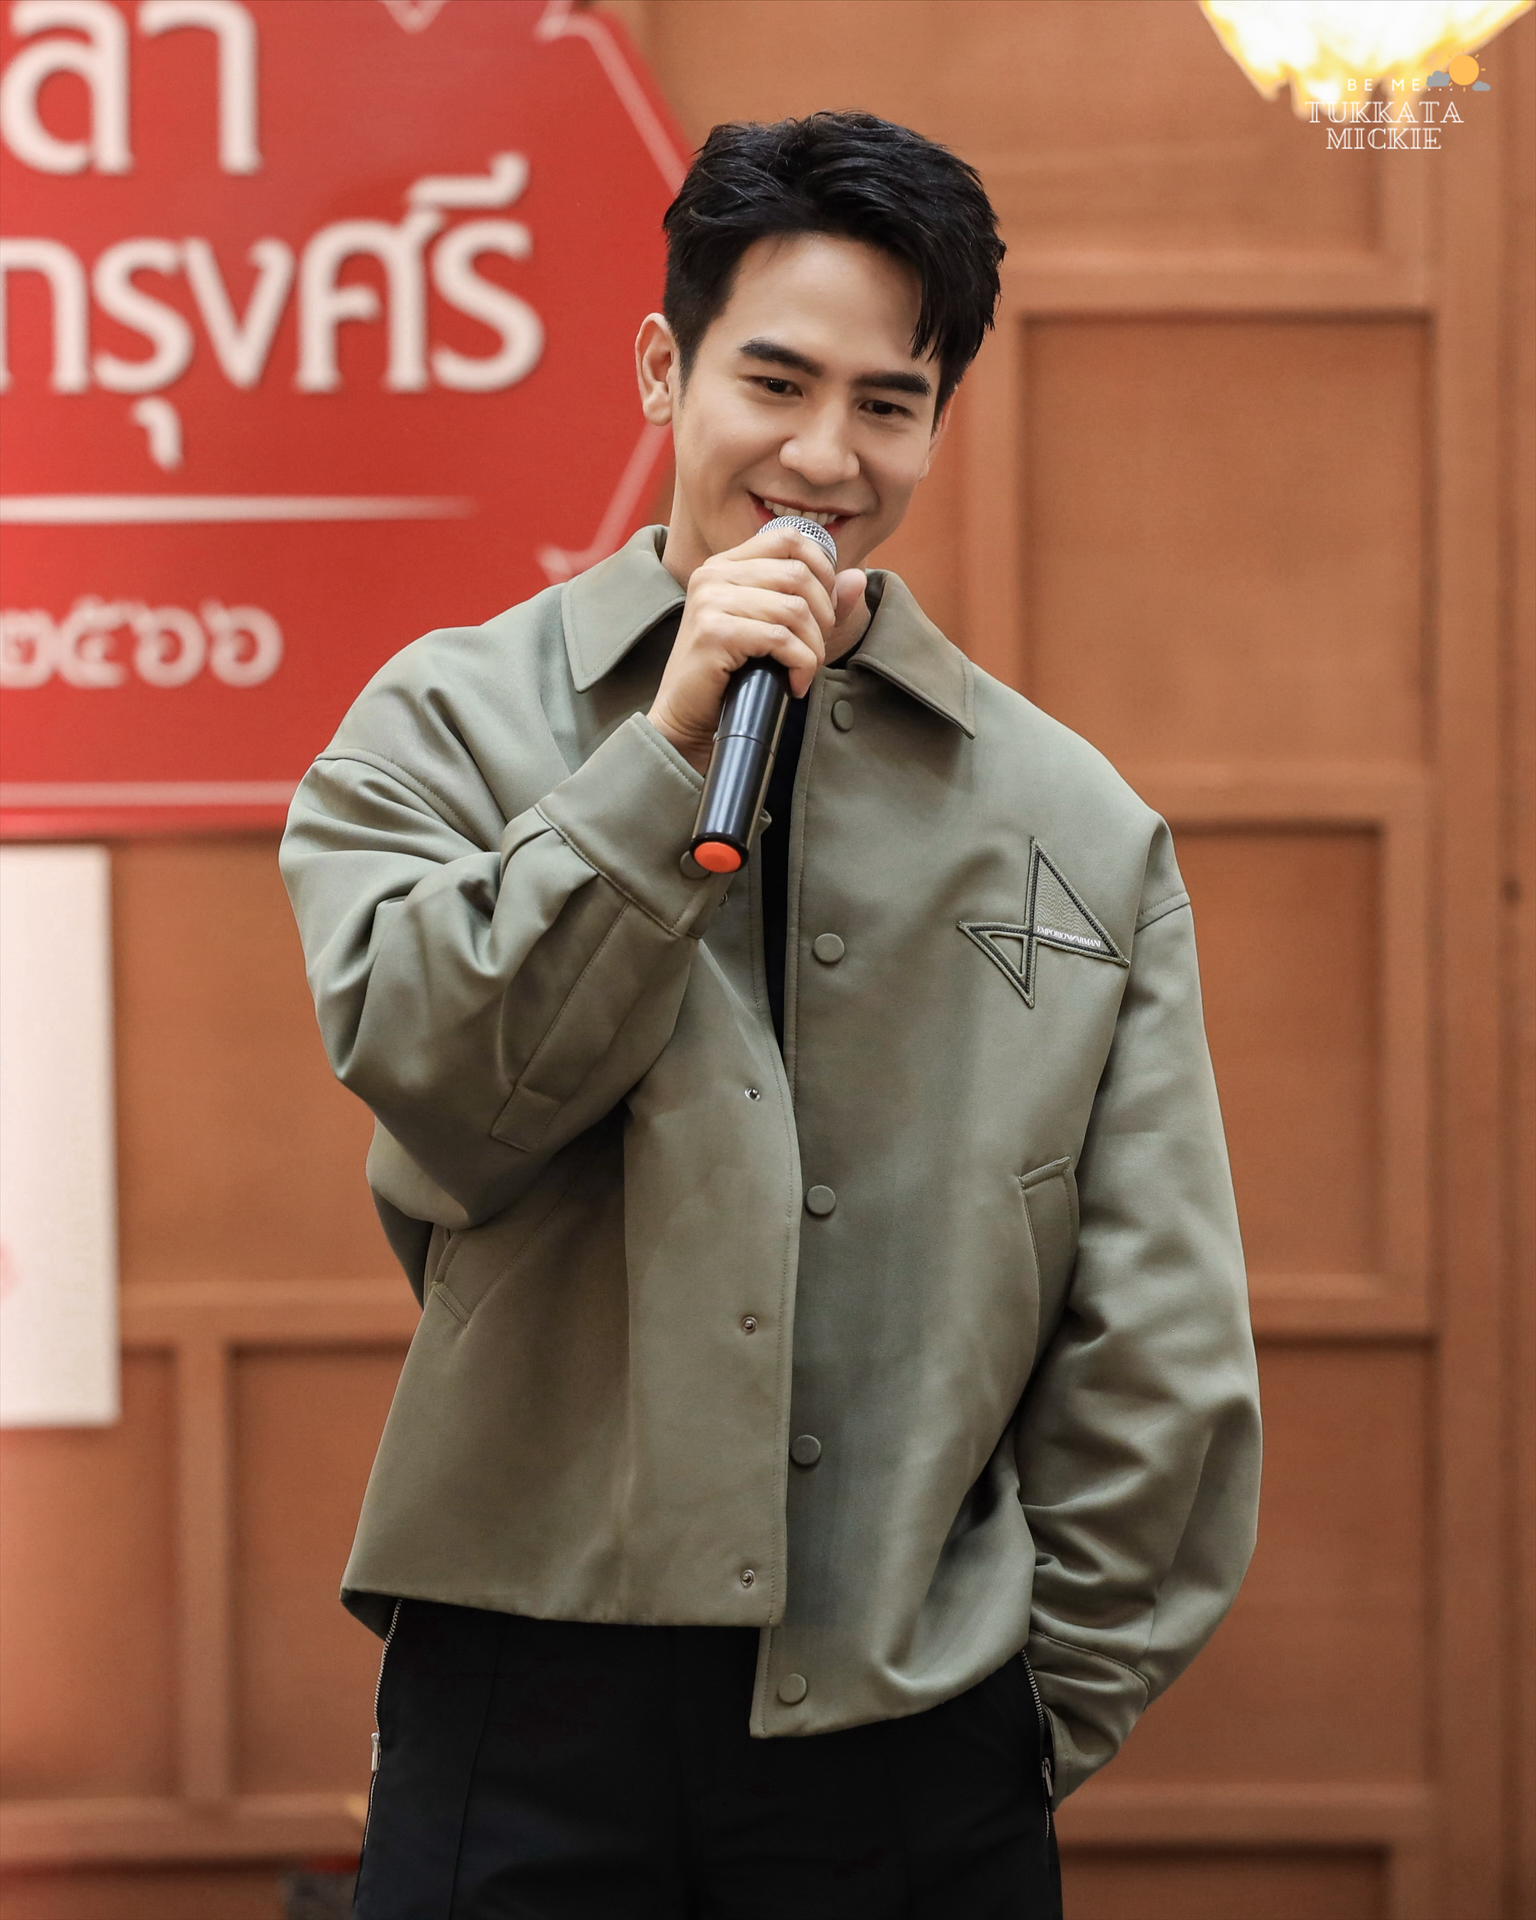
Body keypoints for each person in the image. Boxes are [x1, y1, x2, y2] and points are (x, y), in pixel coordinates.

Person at [281, 110, 1261, 1920]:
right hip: (520, 1698)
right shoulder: (442, 726)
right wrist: (664, 752)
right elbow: (443, 1078)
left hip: (916, 1725)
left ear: (939, 421)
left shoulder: (1074, 821)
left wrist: (1038, 1711)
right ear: (666, 368)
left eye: (889, 403)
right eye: (777, 381)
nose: (825, 456)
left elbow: (1161, 1324)